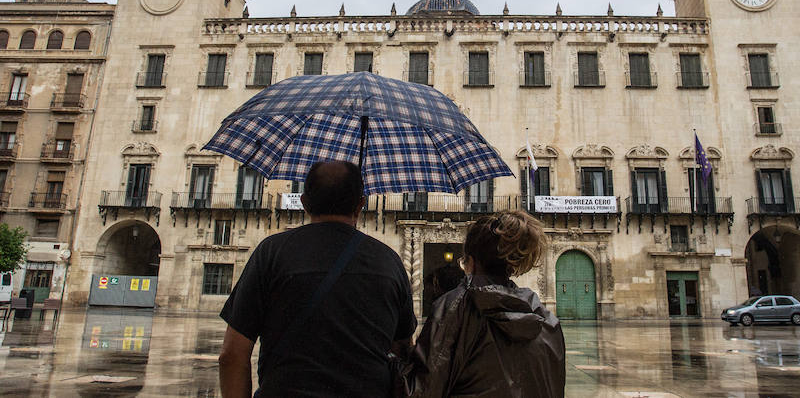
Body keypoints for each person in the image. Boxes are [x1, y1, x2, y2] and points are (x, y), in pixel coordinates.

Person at [218, 160, 416, 397]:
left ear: (304, 202)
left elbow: (231, 355)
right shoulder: (389, 261)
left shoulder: (271, 253)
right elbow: (403, 351)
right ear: (360, 204)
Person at [410, 210, 566, 397]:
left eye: (463, 261)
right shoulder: (548, 322)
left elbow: (422, 390)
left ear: (472, 263)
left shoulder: (453, 310)